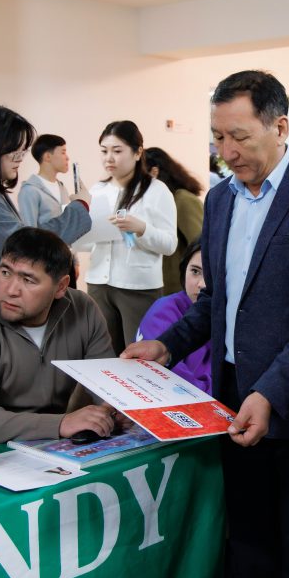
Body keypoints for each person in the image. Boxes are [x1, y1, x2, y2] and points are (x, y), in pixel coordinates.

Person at [123, 70, 289, 578]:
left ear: (280, 127)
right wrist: (166, 345)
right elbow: (217, 302)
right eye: (217, 137)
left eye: (239, 137)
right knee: (253, 552)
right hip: (233, 403)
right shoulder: (222, 198)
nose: (226, 152)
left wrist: (270, 391)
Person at [0, 227, 124, 445]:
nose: (11, 290)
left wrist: (115, 410)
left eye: (28, 280)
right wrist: (61, 424)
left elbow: (107, 386)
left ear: (61, 287)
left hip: (59, 445)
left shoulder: (83, 309)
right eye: (5, 272)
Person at [0, 105, 91, 317]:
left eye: (22, 151)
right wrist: (80, 206)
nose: (20, 159)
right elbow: (32, 245)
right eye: (14, 152)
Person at [85, 121, 177, 353]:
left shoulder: (157, 191)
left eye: (117, 151)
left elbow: (169, 245)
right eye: (104, 151)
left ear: (137, 153)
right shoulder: (97, 190)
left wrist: (141, 228)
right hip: (98, 282)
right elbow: (87, 242)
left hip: (138, 286)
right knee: (101, 353)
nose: (109, 158)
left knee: (137, 356)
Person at [136, 242, 211, 392]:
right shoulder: (164, 310)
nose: (202, 284)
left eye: (212, 275)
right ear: (184, 270)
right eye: (195, 271)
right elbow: (173, 383)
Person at [144, 147, 205, 296]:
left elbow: (200, 244)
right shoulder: (149, 201)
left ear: (154, 172)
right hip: (153, 285)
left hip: (177, 289)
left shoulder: (183, 200)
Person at [18, 133, 72, 227]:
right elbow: (29, 231)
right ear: (47, 156)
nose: (67, 158)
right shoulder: (29, 191)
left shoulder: (62, 188)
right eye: (63, 152)